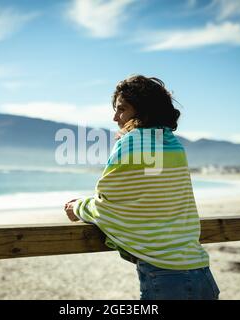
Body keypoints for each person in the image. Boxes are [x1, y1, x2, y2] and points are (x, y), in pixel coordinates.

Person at [64, 75, 220, 300]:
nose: (115, 117)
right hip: (202, 274)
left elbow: (109, 204)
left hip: (166, 280)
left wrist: (78, 207)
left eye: (122, 109)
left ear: (141, 111)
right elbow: (149, 202)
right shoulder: (174, 144)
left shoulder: (131, 143)